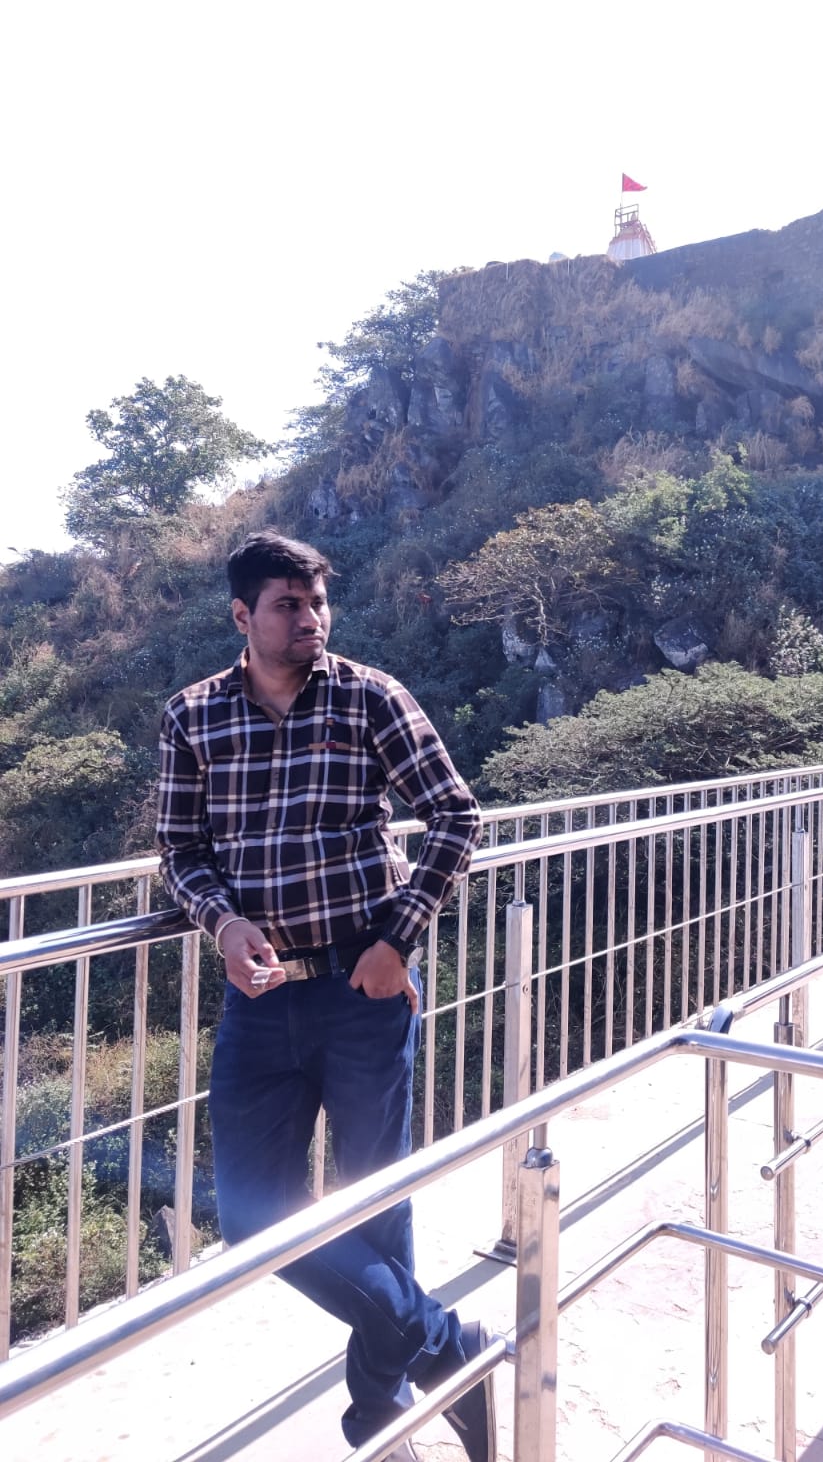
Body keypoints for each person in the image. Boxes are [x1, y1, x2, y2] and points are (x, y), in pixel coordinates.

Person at [156, 531, 492, 1462]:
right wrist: (224, 923)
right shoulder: (193, 717)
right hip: (260, 998)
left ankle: (383, 1412)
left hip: (362, 986)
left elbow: (456, 815)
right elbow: (179, 851)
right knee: (251, 1216)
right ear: (243, 616)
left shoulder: (369, 696)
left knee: (376, 1200)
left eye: (316, 603)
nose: (309, 620)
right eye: (287, 606)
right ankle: (450, 1346)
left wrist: (396, 942)